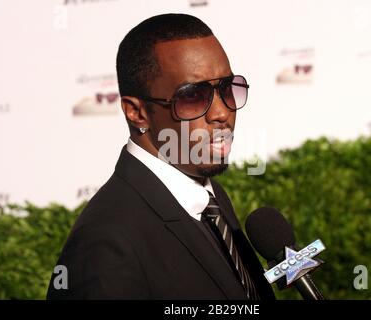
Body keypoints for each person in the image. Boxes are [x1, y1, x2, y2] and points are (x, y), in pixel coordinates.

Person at [46, 13, 275, 300]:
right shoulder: (105, 243)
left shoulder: (208, 196)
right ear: (137, 112)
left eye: (226, 89)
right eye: (193, 96)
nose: (221, 113)